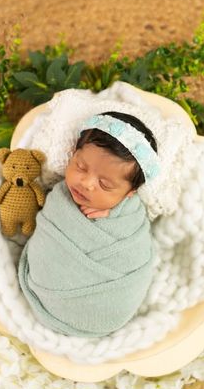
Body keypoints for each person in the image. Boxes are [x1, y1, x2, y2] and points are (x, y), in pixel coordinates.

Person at [18, 111, 160, 338]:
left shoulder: (130, 218)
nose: (86, 184)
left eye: (105, 184)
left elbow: (135, 253)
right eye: (81, 167)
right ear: (73, 153)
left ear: (129, 193)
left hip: (110, 306)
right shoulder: (61, 196)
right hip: (48, 287)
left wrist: (112, 216)